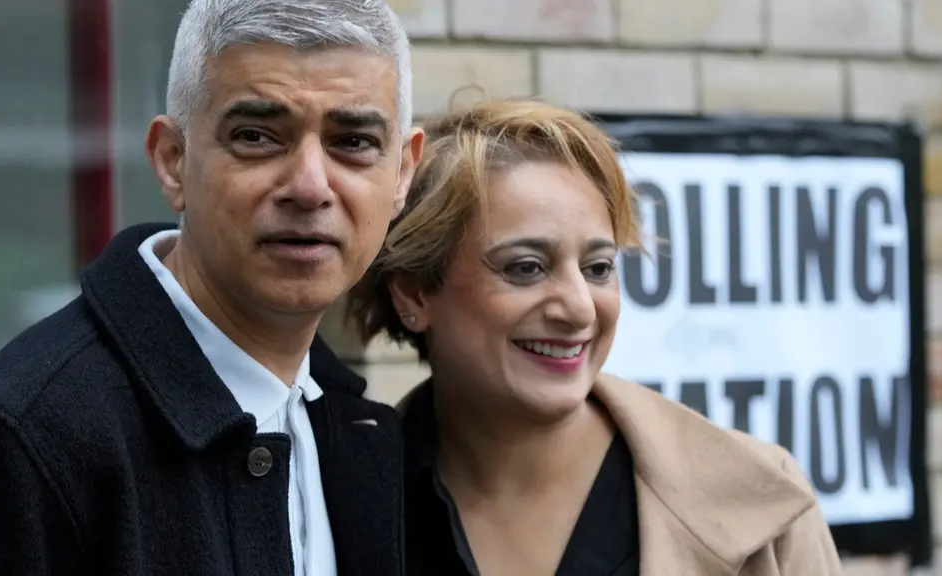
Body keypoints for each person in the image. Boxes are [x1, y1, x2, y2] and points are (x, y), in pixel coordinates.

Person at [0, 1, 423, 575]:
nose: (310, 187)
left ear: (403, 175)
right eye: (258, 136)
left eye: (353, 142)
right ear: (171, 161)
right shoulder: (29, 437)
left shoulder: (356, 431)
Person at [347, 98, 844, 575]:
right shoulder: (338, 500)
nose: (580, 308)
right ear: (414, 294)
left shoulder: (761, 498)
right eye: (526, 267)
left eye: (598, 268)